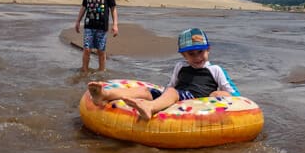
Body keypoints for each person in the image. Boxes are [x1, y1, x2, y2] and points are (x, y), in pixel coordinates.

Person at [87, 27, 239, 120]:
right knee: (145, 91)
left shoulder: (215, 70)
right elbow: (171, 85)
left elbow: (234, 94)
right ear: (184, 56)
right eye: (191, 54)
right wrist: (160, 94)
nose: (198, 57)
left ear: (208, 50)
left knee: (174, 92)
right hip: (176, 97)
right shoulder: (180, 66)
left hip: (196, 102)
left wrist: (219, 95)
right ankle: (105, 95)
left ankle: (150, 108)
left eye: (201, 52)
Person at [75, 0, 119, 72]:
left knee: (101, 51)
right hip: (89, 26)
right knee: (87, 49)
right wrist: (77, 21)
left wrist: (115, 24)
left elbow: (113, 8)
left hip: (102, 27)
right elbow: (84, 6)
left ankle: (101, 72)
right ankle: (85, 71)